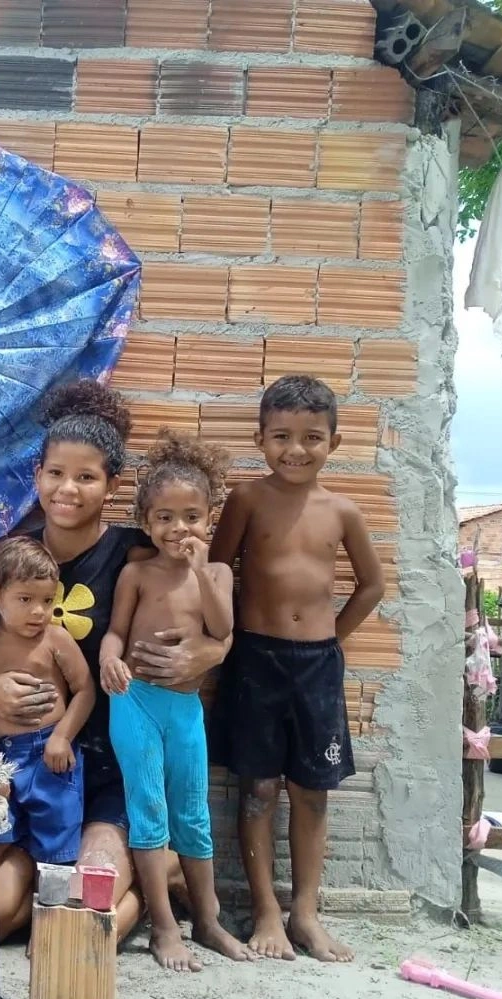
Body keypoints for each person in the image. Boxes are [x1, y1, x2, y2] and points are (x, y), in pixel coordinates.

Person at [0, 381, 231, 942]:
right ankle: (127, 879)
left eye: (86, 477)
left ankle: (143, 894)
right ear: (37, 476)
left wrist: (215, 651)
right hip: (27, 773)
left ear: (112, 486)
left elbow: (201, 593)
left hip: (108, 769)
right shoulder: (18, 558)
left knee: (82, 905)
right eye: (55, 473)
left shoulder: (133, 553)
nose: (67, 489)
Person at [210, 375, 385, 963]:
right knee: (257, 788)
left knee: (312, 791)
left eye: (312, 437)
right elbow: (216, 573)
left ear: (333, 442)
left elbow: (372, 585)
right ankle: (265, 912)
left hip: (316, 667)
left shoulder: (342, 511)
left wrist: (330, 639)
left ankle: (305, 913)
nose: (296, 449)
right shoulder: (247, 500)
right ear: (260, 438)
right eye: (282, 436)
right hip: (254, 660)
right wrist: (217, 641)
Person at [100, 431, 252, 971]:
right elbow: (115, 632)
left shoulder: (215, 575)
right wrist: (108, 659)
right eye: (164, 517)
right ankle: (164, 925)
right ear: (145, 521)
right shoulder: (136, 573)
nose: (177, 529)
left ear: (209, 518)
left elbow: (222, 626)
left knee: (193, 811)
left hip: (185, 708)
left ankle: (207, 921)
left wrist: (205, 567)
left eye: (190, 516)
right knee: (149, 809)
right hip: (135, 701)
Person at [0, 537, 93, 934]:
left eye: (47, 600)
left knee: (56, 847)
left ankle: (51, 929)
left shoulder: (56, 640)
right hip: (3, 762)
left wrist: (63, 736)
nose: (39, 612)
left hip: (51, 756)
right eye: (25, 600)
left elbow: (84, 690)